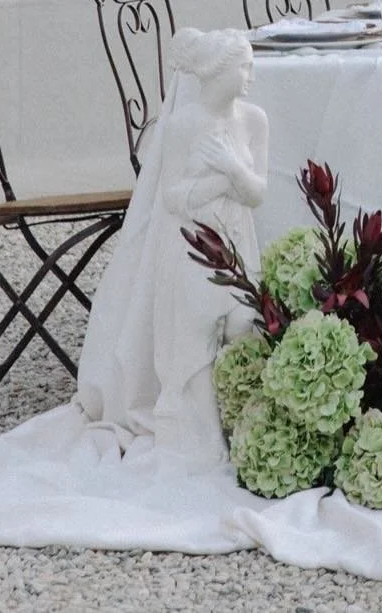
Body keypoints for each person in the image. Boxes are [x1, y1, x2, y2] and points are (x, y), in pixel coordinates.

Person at [151, 27, 268, 467]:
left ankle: (239, 409)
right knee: (199, 330)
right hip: (195, 243)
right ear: (220, 72)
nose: (251, 77)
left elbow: (257, 192)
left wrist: (231, 168)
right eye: (245, 67)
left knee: (243, 321)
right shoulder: (183, 127)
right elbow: (172, 197)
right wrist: (224, 177)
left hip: (238, 237)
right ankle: (210, 434)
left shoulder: (255, 121)